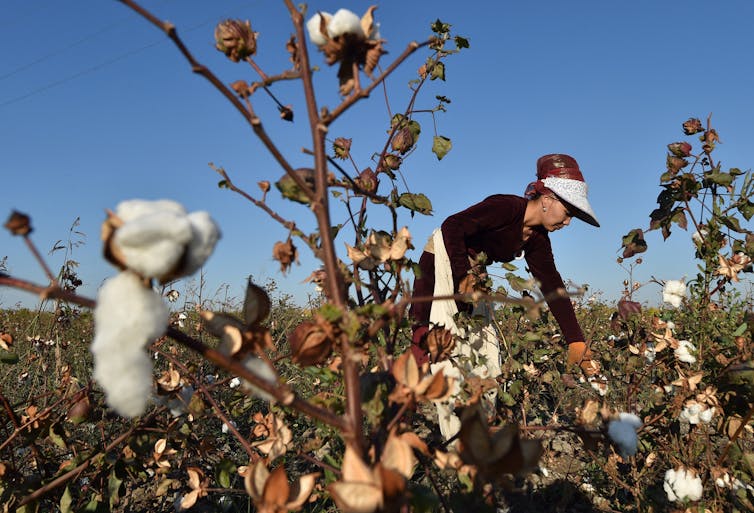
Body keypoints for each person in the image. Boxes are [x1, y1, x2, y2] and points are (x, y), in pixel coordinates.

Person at [410, 154, 600, 380]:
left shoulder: (537, 239)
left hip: (472, 273)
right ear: (547, 199)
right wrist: (462, 274)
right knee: (435, 340)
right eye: (568, 213)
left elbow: (552, 285)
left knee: (481, 351)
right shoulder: (506, 208)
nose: (568, 222)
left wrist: (575, 340)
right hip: (443, 258)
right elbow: (452, 226)